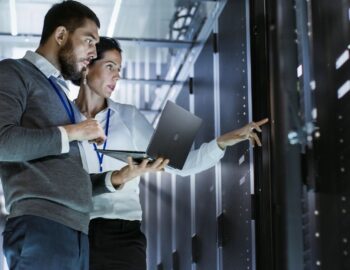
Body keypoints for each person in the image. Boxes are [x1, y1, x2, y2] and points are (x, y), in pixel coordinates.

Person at [74, 37, 269, 270]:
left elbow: (182, 165)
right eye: (110, 66)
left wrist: (222, 142)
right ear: (87, 65)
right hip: (74, 231)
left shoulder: (129, 117)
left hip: (122, 236)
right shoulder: (63, 117)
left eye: (119, 69)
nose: (117, 75)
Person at [0, 2, 142, 270]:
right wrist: (75, 131)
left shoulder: (59, 95)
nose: (92, 53)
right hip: (41, 227)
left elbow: (64, 176)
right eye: (88, 41)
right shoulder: (13, 72)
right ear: (61, 35)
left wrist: (115, 179)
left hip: (75, 232)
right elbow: (2, 141)